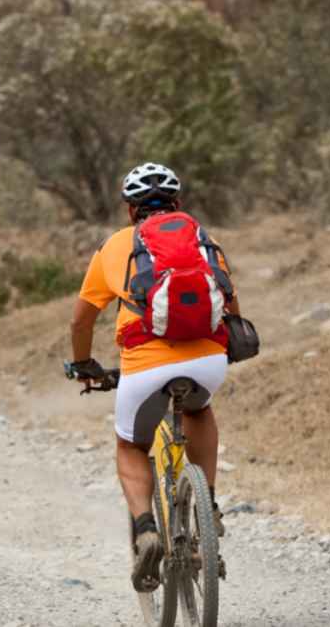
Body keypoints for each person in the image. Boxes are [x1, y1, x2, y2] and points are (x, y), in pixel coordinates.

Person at [66, 162, 238, 590]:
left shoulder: (115, 247)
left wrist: (85, 364)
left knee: (130, 444)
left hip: (144, 366)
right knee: (199, 410)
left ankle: (145, 530)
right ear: (178, 205)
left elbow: (81, 323)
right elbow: (232, 308)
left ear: (130, 210)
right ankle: (208, 507)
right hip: (206, 361)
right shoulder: (204, 240)